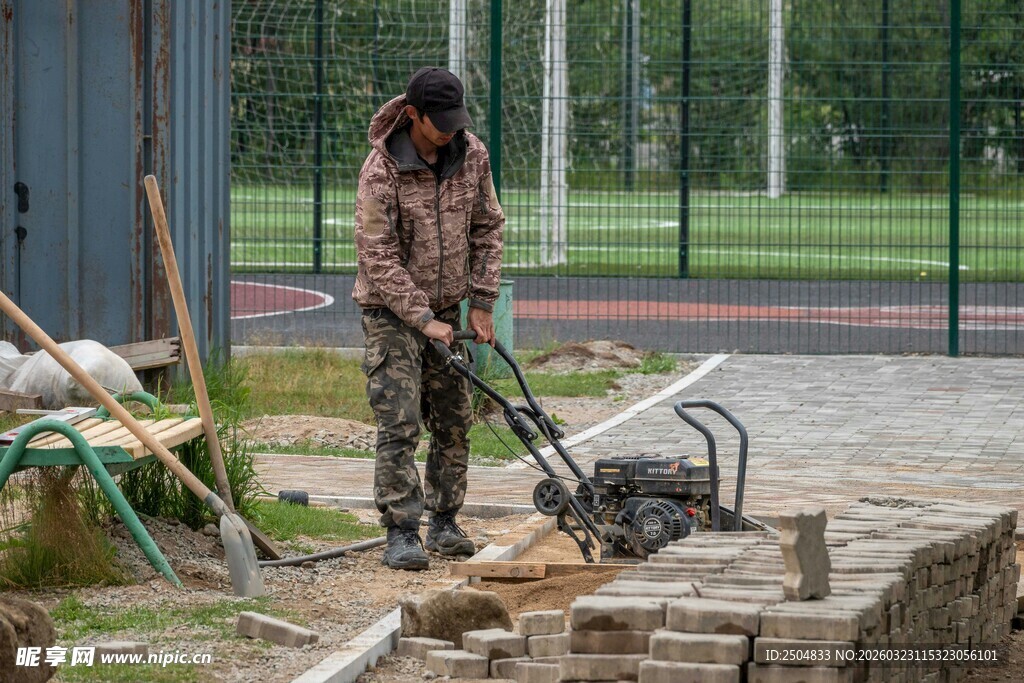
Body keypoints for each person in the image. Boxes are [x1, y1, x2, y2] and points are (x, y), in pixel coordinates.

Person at [352, 67, 504, 570]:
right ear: (413, 115)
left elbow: (487, 226)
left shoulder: (472, 154)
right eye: (439, 123)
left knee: (455, 418)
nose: (450, 131)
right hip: (390, 313)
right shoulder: (381, 171)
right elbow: (377, 256)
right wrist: (421, 317)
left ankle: (444, 522)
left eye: (456, 121)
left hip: (449, 309)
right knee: (400, 421)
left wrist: (481, 301)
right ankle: (401, 530)